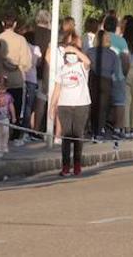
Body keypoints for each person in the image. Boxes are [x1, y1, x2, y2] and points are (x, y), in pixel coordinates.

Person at [49, 34, 91, 177]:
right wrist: (52, 106)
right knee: (66, 136)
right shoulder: (62, 69)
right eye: (68, 54)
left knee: (78, 135)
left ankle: (77, 165)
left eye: (72, 54)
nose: (70, 56)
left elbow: (88, 61)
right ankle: (65, 166)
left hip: (81, 104)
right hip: (64, 105)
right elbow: (57, 88)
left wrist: (75, 50)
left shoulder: (81, 66)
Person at [0, 75, 16, 157]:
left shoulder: (8, 96)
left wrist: (14, 116)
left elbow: (11, 106)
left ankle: (5, 145)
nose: (1, 91)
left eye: (3, 89)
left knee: (6, 132)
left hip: (5, 117)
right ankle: (0, 148)